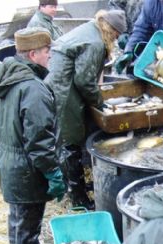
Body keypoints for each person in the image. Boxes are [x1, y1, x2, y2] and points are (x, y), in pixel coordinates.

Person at [0, 27, 71, 244]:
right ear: (33, 54)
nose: (50, 56)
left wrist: (4, 155)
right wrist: (54, 173)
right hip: (26, 169)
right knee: (28, 229)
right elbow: (40, 141)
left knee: (17, 223)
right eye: (47, 51)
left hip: (10, 163)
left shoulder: (7, 77)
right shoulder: (33, 89)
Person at [45, 10, 126, 210]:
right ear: (111, 30)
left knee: (65, 139)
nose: (116, 40)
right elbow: (84, 80)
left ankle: (74, 185)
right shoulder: (95, 43)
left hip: (57, 82)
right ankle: (78, 198)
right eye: (116, 36)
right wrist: (100, 104)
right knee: (70, 143)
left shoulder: (91, 28)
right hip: (64, 90)